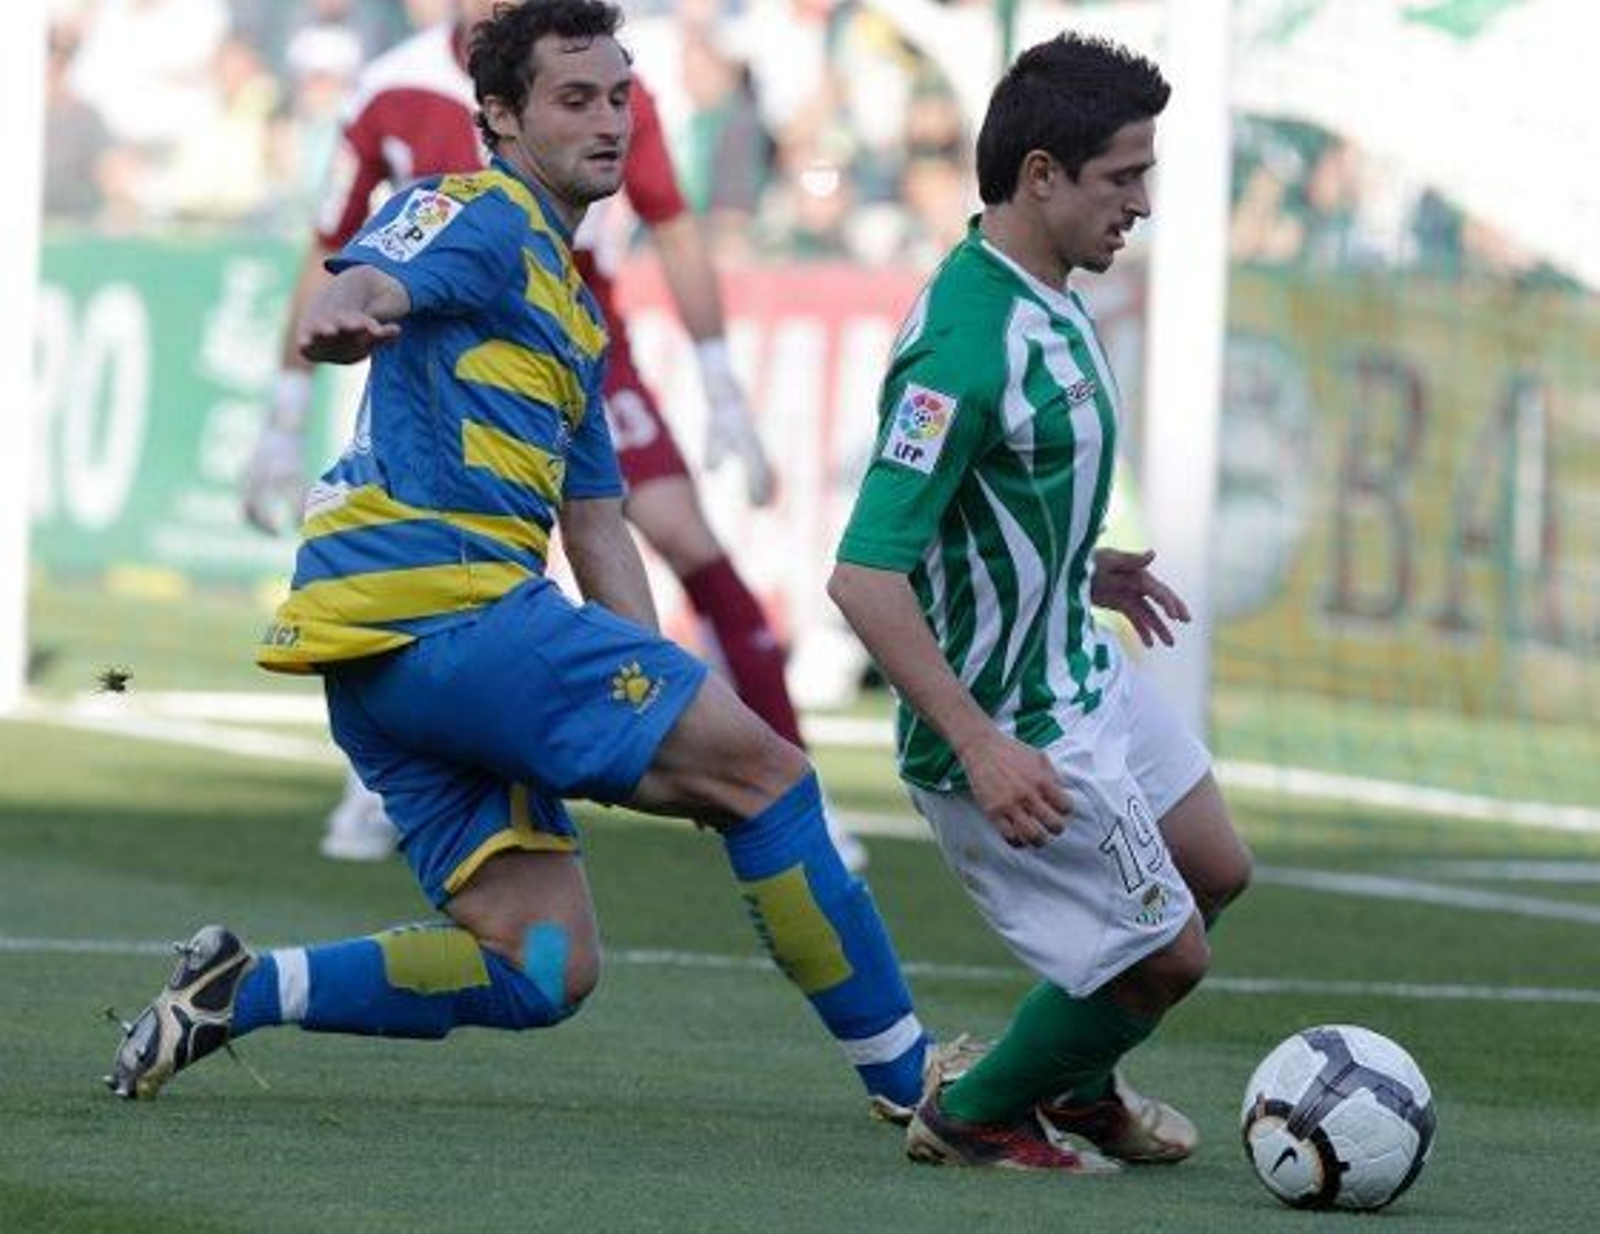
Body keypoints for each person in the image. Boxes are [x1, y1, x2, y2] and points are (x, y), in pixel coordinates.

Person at [108, 0, 954, 1117]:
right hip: (449, 612)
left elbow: (598, 527)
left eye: (619, 95)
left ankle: (238, 990)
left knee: (543, 963)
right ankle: (922, 1085)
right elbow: (370, 277)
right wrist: (341, 315)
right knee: (772, 779)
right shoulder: (480, 208)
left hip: (382, 666)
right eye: (574, 98)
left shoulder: (570, 308)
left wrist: (652, 690)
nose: (609, 121)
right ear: (500, 115)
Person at [240, 0, 866, 872]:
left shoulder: (595, 78)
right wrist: (285, 401)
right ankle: (391, 774)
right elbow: (336, 251)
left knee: (675, 536)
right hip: (448, 361)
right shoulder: (391, 92)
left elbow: (673, 223)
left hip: (583, 345)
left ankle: (792, 781)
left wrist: (720, 380)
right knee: (455, 548)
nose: (606, 115)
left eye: (615, 101)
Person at [828, 33, 1253, 1171]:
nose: (1142, 204)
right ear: (1040, 176)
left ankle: (1074, 1084)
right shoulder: (962, 345)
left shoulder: (1046, 290)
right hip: (1009, 726)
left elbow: (998, 493)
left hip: (1074, 665)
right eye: (1123, 177)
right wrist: (980, 747)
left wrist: (1076, 565)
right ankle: (974, 1114)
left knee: (1214, 869)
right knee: (1170, 957)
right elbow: (862, 576)